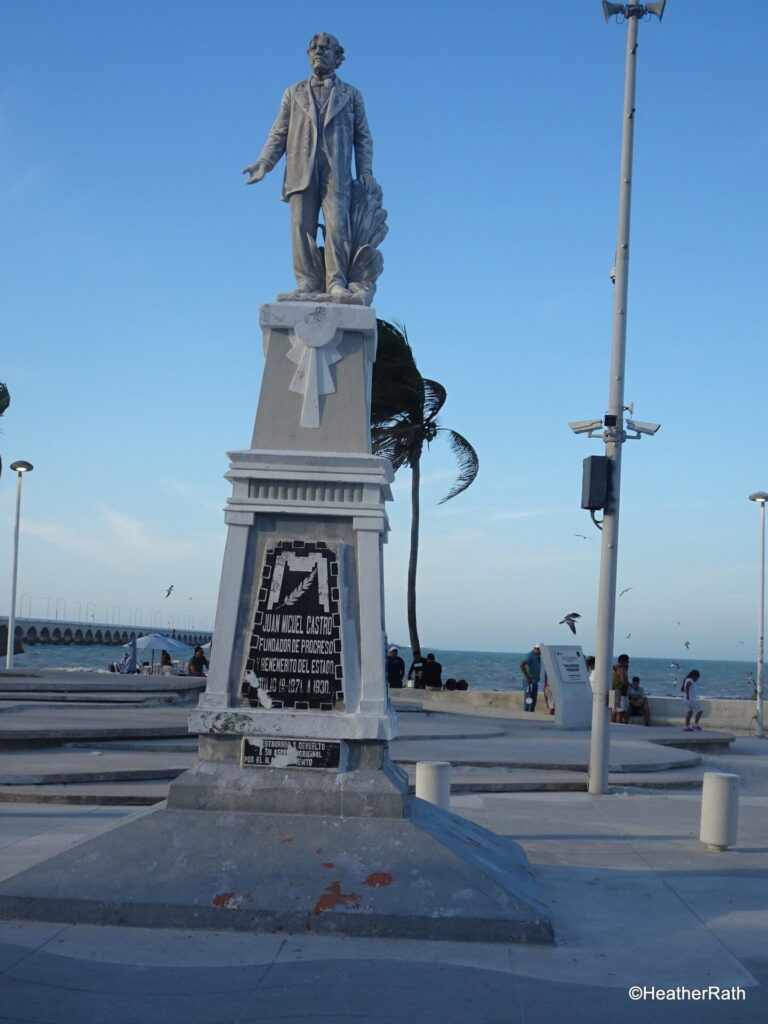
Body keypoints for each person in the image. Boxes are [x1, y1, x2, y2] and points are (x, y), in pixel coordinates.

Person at [243, 32, 374, 298]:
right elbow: (278, 133)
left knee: (338, 226)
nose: (318, 51)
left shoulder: (352, 95)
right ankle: (307, 282)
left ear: (338, 57)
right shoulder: (293, 93)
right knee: (301, 228)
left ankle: (336, 282)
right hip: (300, 170)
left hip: (336, 172)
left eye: (325, 48)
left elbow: (363, 137)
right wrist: (264, 163)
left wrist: (365, 171)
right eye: (313, 47)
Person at [520, 643, 542, 712]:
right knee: (528, 698)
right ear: (536, 649)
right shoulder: (530, 655)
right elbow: (522, 665)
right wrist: (528, 677)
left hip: (535, 681)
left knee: (534, 698)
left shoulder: (537, 656)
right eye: (541, 650)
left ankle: (531, 712)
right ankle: (527, 713)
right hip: (529, 681)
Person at [611, 653, 630, 723]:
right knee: (620, 712)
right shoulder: (621, 669)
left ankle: (612, 725)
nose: (628, 663)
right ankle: (619, 725)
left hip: (613, 691)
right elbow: (624, 681)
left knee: (614, 711)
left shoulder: (613, 667)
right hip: (620, 692)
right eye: (627, 661)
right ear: (624, 661)